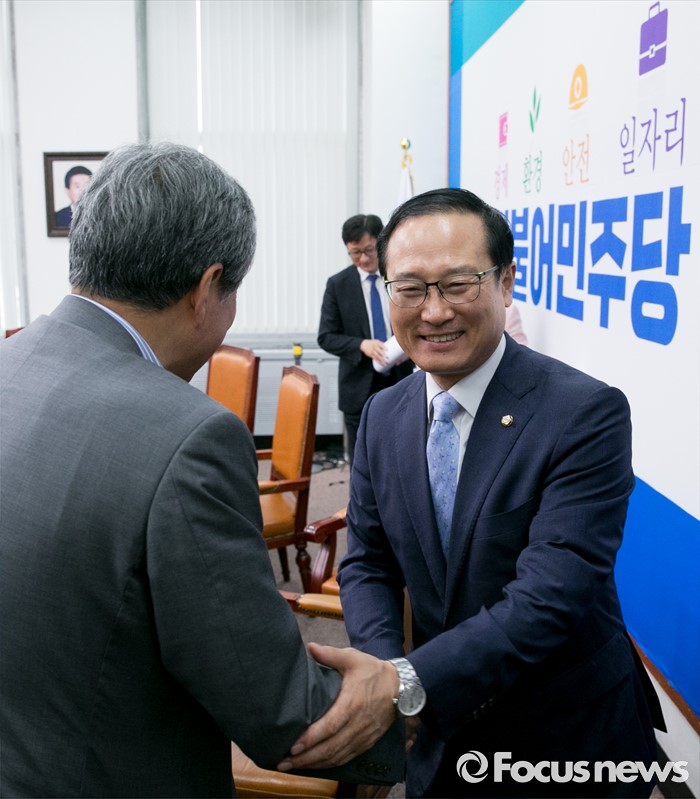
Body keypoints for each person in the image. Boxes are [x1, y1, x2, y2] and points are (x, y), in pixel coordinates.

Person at [0, 142, 404, 798]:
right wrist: (406, 695)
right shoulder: (186, 436)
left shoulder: (12, 362)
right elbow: (283, 712)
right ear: (208, 286)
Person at [290, 188, 665, 797]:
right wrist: (385, 672)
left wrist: (405, 685)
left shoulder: (583, 413)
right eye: (410, 288)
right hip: (441, 736)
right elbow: (369, 561)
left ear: (506, 281)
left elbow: (550, 595)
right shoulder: (384, 414)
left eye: (458, 284)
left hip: (562, 739)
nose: (434, 311)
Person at [318, 214, 413, 465]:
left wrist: (409, 346)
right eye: (355, 253)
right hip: (358, 385)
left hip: (400, 378)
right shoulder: (338, 285)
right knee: (362, 460)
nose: (363, 259)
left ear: (381, 243)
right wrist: (362, 344)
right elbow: (326, 336)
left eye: (369, 250)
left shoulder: (401, 276)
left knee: (401, 454)